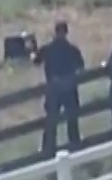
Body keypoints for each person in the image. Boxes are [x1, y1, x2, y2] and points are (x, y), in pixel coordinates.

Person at [34, 19, 86, 154]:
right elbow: (81, 66)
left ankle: (49, 147)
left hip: (55, 89)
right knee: (67, 118)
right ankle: (73, 144)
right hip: (67, 88)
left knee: (55, 119)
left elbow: (36, 61)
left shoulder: (48, 49)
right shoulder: (72, 50)